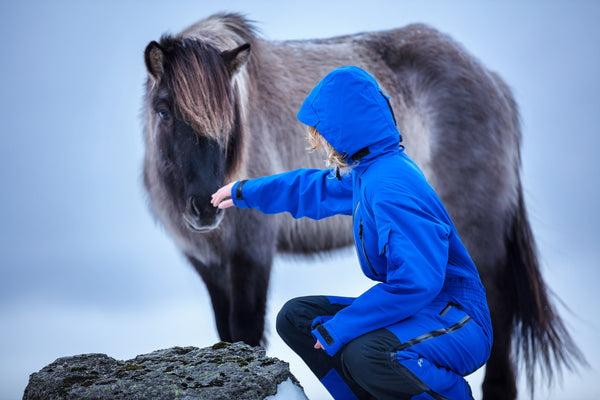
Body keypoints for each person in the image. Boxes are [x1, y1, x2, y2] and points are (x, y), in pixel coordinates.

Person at [211, 66, 492, 400]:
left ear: (345, 127)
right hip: (423, 309)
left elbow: (418, 282)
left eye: (323, 131)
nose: (321, 141)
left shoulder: (392, 186)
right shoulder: (368, 172)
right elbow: (313, 189)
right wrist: (245, 191)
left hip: (458, 319)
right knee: (298, 318)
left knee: (369, 354)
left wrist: (341, 327)